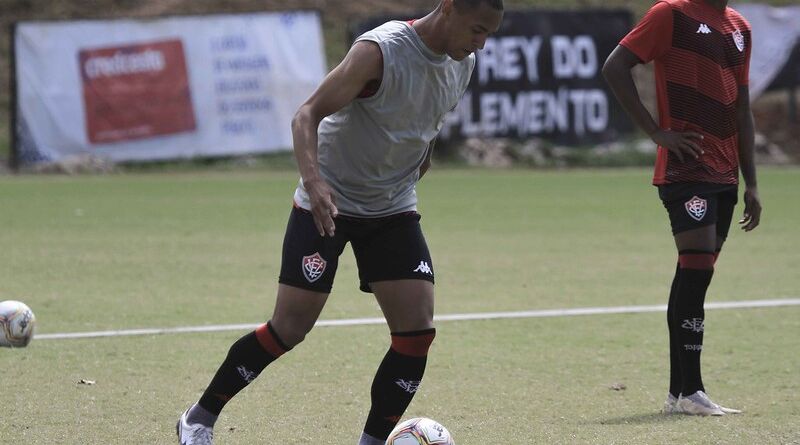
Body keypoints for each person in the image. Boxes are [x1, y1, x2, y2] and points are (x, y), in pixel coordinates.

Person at [177, 1, 504, 443]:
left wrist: (413, 170)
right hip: (329, 203)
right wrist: (314, 185)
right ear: (448, 8)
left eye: (488, 34)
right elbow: (306, 114)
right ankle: (199, 417)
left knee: (416, 333)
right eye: (477, 29)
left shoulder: (461, 65)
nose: (481, 42)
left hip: (392, 209)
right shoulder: (381, 50)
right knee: (289, 328)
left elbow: (426, 126)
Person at [602, 0, 761, 416]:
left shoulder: (739, 26)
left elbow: (742, 109)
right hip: (686, 170)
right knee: (695, 271)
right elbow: (615, 67)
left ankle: (681, 394)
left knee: (697, 274)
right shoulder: (670, 14)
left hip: (726, 175)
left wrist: (753, 182)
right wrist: (657, 132)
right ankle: (690, 390)